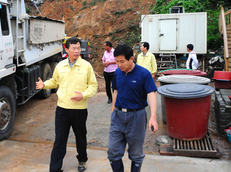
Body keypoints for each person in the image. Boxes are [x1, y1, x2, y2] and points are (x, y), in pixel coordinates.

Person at [36, 37, 98, 172]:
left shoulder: (86, 66)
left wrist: (83, 95)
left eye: (78, 48)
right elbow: (55, 82)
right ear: (67, 49)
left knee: (80, 137)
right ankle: (55, 168)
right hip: (62, 109)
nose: (76, 51)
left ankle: (82, 160)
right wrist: (44, 85)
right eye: (73, 48)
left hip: (79, 110)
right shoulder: (60, 66)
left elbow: (93, 86)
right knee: (59, 140)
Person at [107, 44, 158, 172]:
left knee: (136, 153)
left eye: (122, 61)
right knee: (113, 151)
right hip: (118, 116)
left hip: (136, 117)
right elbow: (115, 91)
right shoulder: (118, 72)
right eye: (117, 61)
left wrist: (153, 117)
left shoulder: (143, 74)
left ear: (131, 59)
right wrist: (113, 111)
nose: (119, 65)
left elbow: (151, 94)